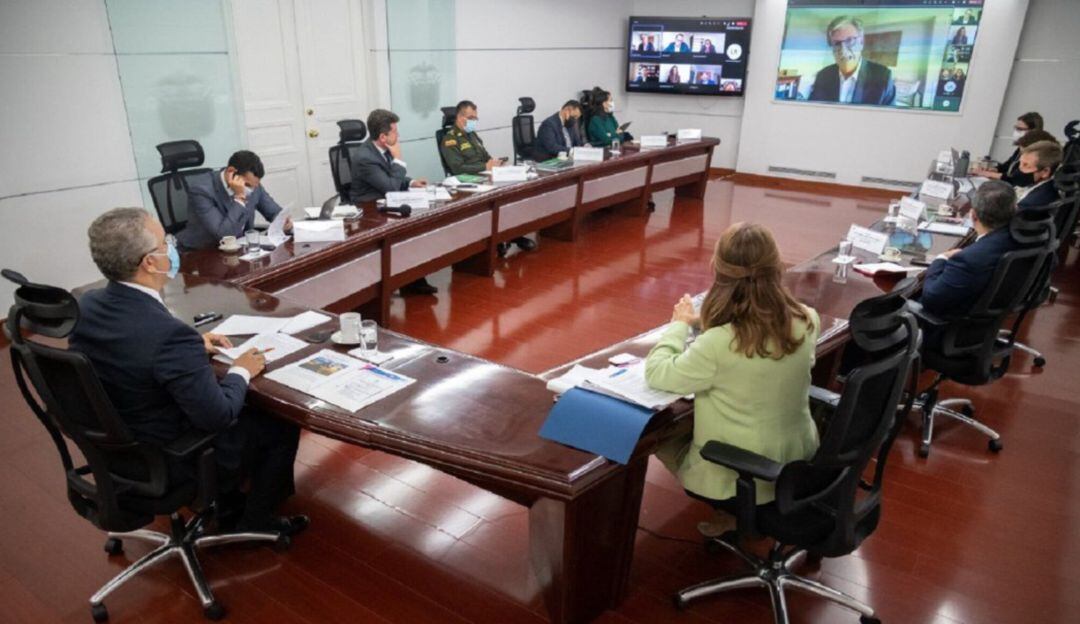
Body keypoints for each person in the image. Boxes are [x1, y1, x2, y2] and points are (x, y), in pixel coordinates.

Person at [71, 208, 308, 536]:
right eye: (164, 241)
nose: (172, 246)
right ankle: (256, 519)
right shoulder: (169, 335)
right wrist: (240, 370)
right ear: (150, 263)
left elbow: (132, 347)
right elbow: (219, 416)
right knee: (278, 422)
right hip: (170, 457)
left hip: (116, 445)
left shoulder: (87, 306)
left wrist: (192, 345)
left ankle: (230, 501)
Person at [644, 223, 820, 537]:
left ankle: (733, 508)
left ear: (718, 271)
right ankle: (738, 514)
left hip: (742, 473)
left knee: (660, 435)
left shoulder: (719, 344)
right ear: (777, 266)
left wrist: (679, 325)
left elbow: (657, 373)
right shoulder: (806, 318)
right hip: (797, 463)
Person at [349, 108, 436, 295]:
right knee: (404, 230)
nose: (398, 135)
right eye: (395, 132)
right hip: (367, 210)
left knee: (414, 225)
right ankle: (402, 281)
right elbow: (390, 186)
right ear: (383, 137)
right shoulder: (365, 157)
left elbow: (390, 177)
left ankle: (412, 280)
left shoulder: (379, 148)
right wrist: (398, 159)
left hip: (383, 203)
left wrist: (411, 182)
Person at [441, 100, 535, 254]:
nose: (474, 122)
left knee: (512, 194)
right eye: (471, 118)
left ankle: (514, 235)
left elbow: (486, 156)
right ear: (460, 118)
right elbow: (457, 168)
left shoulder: (472, 136)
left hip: (484, 177)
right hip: (468, 182)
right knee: (496, 201)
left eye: (475, 118)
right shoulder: (450, 139)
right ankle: (496, 240)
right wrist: (485, 167)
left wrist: (495, 163)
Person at [920, 181, 1020, 318]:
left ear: (973, 216)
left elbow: (931, 299)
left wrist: (940, 259)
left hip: (957, 322)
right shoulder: (1024, 239)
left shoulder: (969, 259)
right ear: (1015, 210)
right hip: (1002, 308)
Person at [177, 150, 292, 251]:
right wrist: (240, 198)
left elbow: (274, 212)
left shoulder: (253, 185)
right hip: (204, 253)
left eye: (254, 185)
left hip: (241, 249)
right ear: (231, 172)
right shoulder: (201, 191)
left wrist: (283, 222)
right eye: (247, 185)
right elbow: (224, 236)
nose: (251, 190)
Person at [808, 16, 895, 106]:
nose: (843, 50)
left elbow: (890, 118)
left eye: (850, 41)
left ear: (861, 42)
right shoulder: (823, 76)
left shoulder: (883, 77)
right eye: (837, 44)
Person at [1016, 140, 1064, 209]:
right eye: (1020, 163)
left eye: (1026, 165)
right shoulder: (1033, 183)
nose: (1020, 169)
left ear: (1045, 172)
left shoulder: (1031, 202)